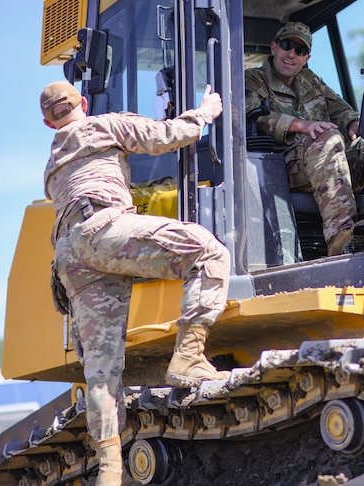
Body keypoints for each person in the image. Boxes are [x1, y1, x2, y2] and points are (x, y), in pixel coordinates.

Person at [40, 81, 230, 486]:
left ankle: (110, 472)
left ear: (46, 122)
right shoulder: (101, 126)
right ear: (84, 104)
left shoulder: (53, 162)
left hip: (70, 257)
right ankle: (189, 357)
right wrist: (206, 112)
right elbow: (166, 136)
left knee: (102, 373)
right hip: (103, 230)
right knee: (209, 253)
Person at [244, 21, 364, 256]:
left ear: (306, 58)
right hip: (278, 169)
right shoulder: (253, 79)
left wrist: (354, 123)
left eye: (300, 50)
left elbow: (342, 111)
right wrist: (300, 125)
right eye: (287, 45)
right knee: (327, 138)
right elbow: (255, 116)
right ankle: (340, 237)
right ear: (274, 47)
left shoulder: (311, 81)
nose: (292, 54)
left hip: (324, 164)